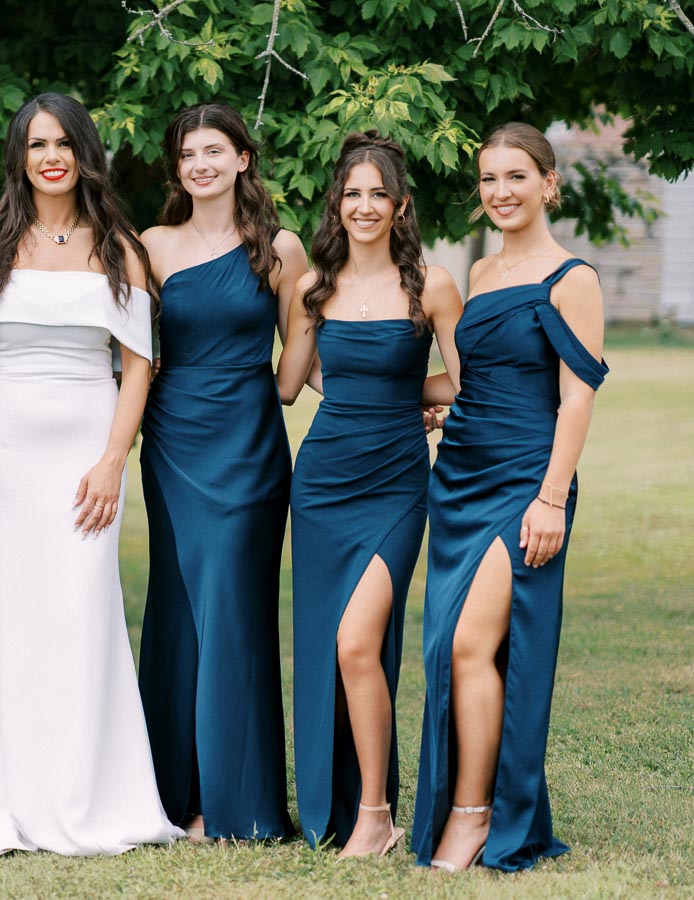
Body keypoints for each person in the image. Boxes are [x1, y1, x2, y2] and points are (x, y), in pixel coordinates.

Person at [0, 91, 183, 856]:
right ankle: (8, 796)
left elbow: (140, 363)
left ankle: (90, 794)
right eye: (35, 143)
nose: (50, 156)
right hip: (9, 452)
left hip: (89, 448)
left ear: (85, 152)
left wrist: (115, 459)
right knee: (12, 617)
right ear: (19, 156)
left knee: (82, 612)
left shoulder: (120, 245)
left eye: (63, 143)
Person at [413, 122, 607, 873]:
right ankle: (472, 803)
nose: (501, 192)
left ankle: (476, 813)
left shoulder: (573, 278)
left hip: (527, 479)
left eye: (517, 176)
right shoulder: (484, 273)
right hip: (457, 476)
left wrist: (551, 498)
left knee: (472, 645)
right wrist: (402, 397)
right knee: (449, 650)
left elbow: (578, 397)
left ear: (549, 184)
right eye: (490, 179)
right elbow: (468, 381)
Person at [277, 131, 462, 857]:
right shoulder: (313, 289)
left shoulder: (432, 284)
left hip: (395, 485)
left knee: (358, 642)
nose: (363, 206)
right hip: (321, 483)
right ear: (337, 204)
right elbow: (292, 383)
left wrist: (405, 393)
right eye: (351, 194)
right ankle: (352, 808)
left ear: (400, 204)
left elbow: (466, 380)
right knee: (334, 646)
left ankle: (376, 813)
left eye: (377, 193)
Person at [135, 102, 306, 843]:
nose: (200, 164)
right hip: (171, 445)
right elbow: (132, 350)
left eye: (215, 150)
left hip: (248, 449)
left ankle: (238, 804)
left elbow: (295, 369)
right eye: (187, 154)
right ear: (177, 168)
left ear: (243, 158)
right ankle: (176, 796)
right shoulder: (152, 245)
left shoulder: (281, 248)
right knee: (177, 614)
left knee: (234, 614)